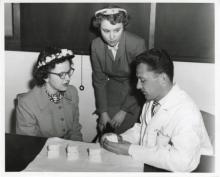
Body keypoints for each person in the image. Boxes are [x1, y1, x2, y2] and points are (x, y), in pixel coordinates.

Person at [100, 49, 213, 172]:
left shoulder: (186, 112)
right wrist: (122, 139)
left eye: (142, 80)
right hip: (154, 167)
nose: (137, 86)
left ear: (163, 79)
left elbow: (183, 162)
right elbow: (142, 129)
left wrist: (130, 149)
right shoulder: (151, 101)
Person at [91, 5, 146, 135]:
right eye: (106, 30)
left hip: (135, 91)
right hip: (113, 89)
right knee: (105, 128)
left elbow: (142, 81)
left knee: (127, 134)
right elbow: (99, 81)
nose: (111, 37)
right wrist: (103, 112)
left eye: (117, 30)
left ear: (123, 26)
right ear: (99, 28)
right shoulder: (96, 45)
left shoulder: (137, 44)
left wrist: (123, 111)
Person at [16, 47, 83, 141]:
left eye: (68, 72)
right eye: (62, 74)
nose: (68, 78)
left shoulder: (72, 92)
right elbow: (29, 144)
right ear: (46, 76)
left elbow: (75, 131)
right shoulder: (26, 104)